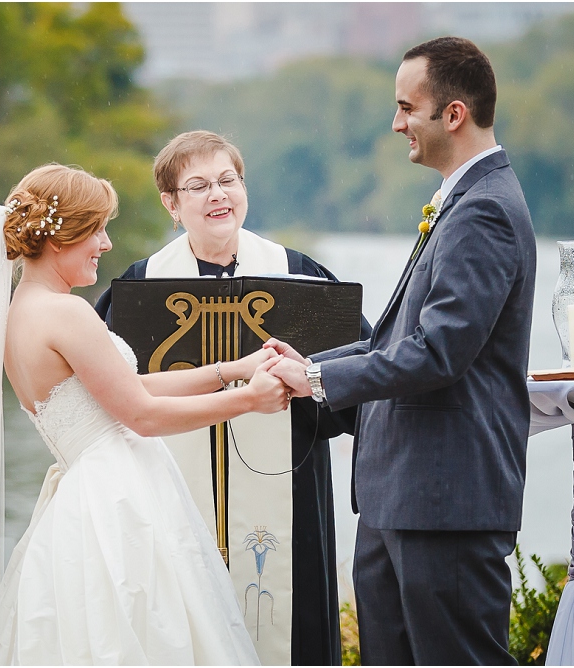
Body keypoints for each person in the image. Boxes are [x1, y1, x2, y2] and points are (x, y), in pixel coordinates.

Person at [0, 163, 292, 665]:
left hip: (89, 488)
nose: (105, 244)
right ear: (61, 237)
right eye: (97, 231)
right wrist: (249, 399)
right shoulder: (67, 312)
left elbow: (127, 388)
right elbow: (142, 415)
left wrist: (232, 369)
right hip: (119, 500)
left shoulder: (21, 311)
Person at [266, 37, 536, 664]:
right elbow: (399, 342)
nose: (396, 123)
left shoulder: (485, 211)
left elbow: (439, 353)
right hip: (400, 498)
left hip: (446, 505)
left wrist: (319, 383)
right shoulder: (462, 202)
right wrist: (309, 366)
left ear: (453, 114)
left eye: (406, 108)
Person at [94, 130, 371, 665]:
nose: (217, 194)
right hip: (170, 489)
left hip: (287, 488)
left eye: (228, 180)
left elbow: (359, 378)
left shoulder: (299, 277)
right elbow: (111, 400)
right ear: (171, 205)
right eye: (197, 186)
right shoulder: (140, 289)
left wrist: (307, 383)